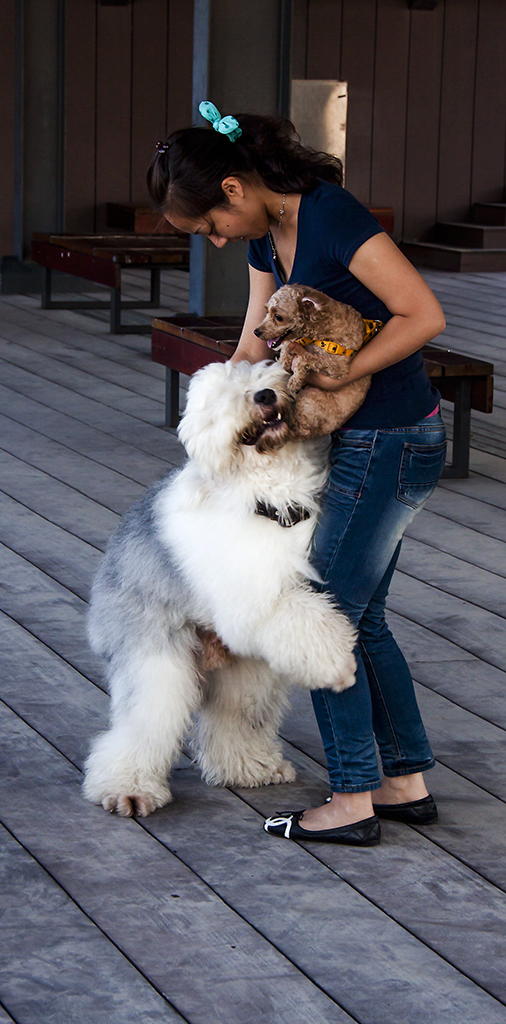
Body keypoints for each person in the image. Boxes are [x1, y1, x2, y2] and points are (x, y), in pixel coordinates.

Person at [147, 101, 447, 846]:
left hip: (394, 436)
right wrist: (216, 420)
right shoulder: (265, 240)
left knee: (320, 613)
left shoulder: (332, 216)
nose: (216, 240)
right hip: (353, 439)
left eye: (211, 226)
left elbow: (423, 314)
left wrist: (337, 370)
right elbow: (254, 342)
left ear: (234, 190)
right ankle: (404, 780)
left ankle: (351, 798)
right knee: (364, 615)